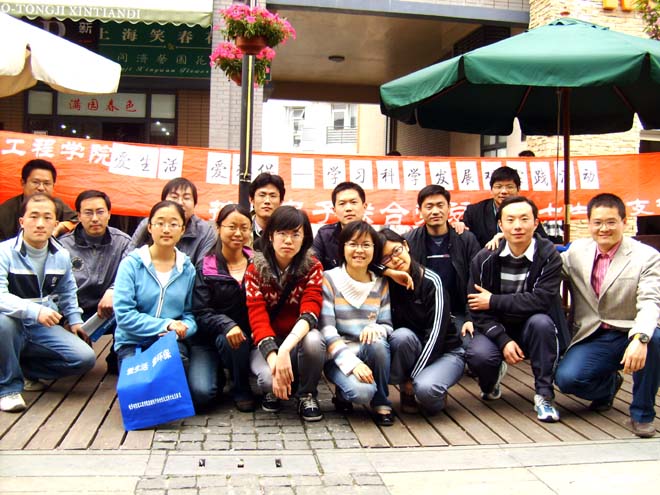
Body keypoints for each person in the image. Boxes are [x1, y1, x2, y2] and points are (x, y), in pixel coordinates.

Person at [555, 193, 660, 438]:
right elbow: (545, 259)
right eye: (598, 222)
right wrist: (504, 238)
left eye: (611, 222)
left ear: (624, 222)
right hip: (594, 334)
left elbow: (650, 301)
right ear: (589, 223)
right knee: (567, 380)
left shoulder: (647, 256)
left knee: (655, 340)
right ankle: (609, 387)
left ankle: (642, 414)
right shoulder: (577, 251)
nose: (604, 229)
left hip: (631, 330)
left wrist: (641, 338)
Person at [466, 196, 566, 423]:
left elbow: (541, 300)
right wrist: (503, 340)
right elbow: (477, 308)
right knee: (478, 355)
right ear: (500, 225)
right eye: (510, 220)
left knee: (542, 323)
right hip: (496, 327)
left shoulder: (548, 255)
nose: (517, 226)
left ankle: (544, 396)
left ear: (536, 223)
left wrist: (493, 301)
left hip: (532, 325)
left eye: (524, 219)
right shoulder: (484, 259)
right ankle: (490, 383)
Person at [0, 193, 95, 412]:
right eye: (34, 216)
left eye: (47, 217)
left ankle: (25, 371)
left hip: (40, 327)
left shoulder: (61, 254)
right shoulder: (4, 252)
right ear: (22, 221)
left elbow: (68, 290)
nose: (40, 223)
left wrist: (75, 320)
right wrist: (35, 311)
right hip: (11, 322)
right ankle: (8, 389)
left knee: (84, 358)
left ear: (55, 223)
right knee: (3, 322)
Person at [245, 206, 325, 421]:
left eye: (295, 234)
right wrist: (275, 361)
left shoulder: (313, 267)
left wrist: (285, 350)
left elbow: (310, 311)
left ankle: (307, 394)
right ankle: (275, 389)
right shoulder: (254, 270)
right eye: (282, 233)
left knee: (314, 339)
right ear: (270, 236)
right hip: (266, 341)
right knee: (268, 380)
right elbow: (257, 319)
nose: (288, 240)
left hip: (297, 340)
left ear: (304, 239)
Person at [380, 228, 465, 415]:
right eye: (386, 258)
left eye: (396, 251)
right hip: (413, 344)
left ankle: (431, 390)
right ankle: (407, 391)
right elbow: (364, 265)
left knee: (426, 391)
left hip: (445, 351)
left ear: (406, 246)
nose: (395, 259)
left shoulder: (431, 281)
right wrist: (388, 272)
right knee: (401, 336)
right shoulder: (386, 282)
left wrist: (413, 376)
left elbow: (436, 336)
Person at [320, 221, 394, 426]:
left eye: (366, 245)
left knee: (378, 343)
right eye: (353, 244)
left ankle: (382, 401)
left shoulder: (381, 283)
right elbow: (326, 329)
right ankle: (344, 392)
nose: (359, 250)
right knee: (362, 393)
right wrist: (352, 364)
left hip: (369, 351)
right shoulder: (329, 279)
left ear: (374, 250)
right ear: (343, 247)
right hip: (338, 356)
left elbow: (387, 324)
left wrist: (376, 328)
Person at [113, 201, 197, 371]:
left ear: (182, 230)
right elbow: (123, 314)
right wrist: (166, 325)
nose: (166, 229)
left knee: (173, 372)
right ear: (150, 227)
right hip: (133, 342)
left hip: (170, 341)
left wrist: (182, 329)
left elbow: (190, 314)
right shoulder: (131, 264)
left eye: (173, 224)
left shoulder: (187, 269)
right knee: (138, 383)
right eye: (160, 223)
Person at [190, 204, 255, 412]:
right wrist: (226, 324)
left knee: (235, 339)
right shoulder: (205, 266)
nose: (238, 233)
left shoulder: (258, 264)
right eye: (232, 227)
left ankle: (241, 386)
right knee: (202, 395)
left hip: (244, 339)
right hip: (207, 340)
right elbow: (200, 312)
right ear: (218, 228)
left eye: (244, 228)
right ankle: (217, 370)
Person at [58, 190, 131, 373]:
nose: (95, 218)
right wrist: (69, 317)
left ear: (109, 214)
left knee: (133, 306)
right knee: (77, 361)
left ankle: (118, 357)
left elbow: (131, 277)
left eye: (100, 212)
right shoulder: (63, 246)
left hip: (110, 310)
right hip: (74, 312)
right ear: (79, 216)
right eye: (88, 213)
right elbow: (56, 289)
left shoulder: (123, 242)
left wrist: (113, 290)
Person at [404, 185, 480, 343]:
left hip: (458, 313)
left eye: (440, 205)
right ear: (420, 210)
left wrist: (470, 317)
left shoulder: (466, 239)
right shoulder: (408, 241)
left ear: (449, 208)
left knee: (472, 348)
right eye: (429, 207)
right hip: (423, 315)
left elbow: (476, 280)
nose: (435, 211)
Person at [129, 178, 216, 266]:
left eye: (186, 198)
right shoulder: (149, 223)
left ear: (195, 204)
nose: (180, 202)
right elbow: (129, 258)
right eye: (174, 197)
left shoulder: (206, 231)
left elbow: (203, 269)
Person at [461, 167, 551, 248]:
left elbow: (543, 241)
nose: (504, 191)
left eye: (509, 187)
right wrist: (459, 226)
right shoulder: (474, 212)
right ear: (491, 189)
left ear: (518, 189)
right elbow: (464, 240)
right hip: (485, 258)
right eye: (498, 187)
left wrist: (510, 236)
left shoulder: (526, 210)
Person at [0, 159, 77, 241]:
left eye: (46, 183)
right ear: (23, 182)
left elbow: (78, 221)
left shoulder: (58, 205)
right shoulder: (4, 212)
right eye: (35, 182)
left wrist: (61, 227)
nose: (41, 188)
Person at [313, 182, 368, 271]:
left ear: (364, 206)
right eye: (342, 204)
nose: (348, 208)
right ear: (334, 210)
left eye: (353, 202)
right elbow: (312, 264)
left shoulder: (374, 236)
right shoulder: (324, 235)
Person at [249, 173, 285, 250]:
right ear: (252, 200)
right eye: (262, 195)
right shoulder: (243, 229)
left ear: (281, 201)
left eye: (273, 196)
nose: (267, 201)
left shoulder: (289, 230)